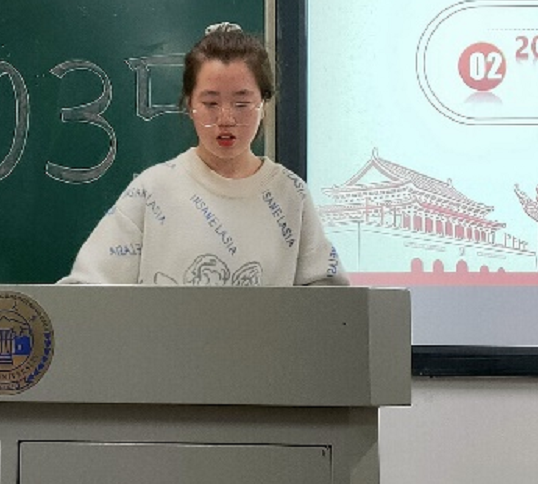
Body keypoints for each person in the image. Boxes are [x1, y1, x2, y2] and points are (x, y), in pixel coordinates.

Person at [60, 23, 348, 287]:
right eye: (210, 103)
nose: (226, 119)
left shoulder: (290, 194)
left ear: (263, 103)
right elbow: (85, 291)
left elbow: (331, 302)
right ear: (189, 105)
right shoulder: (153, 189)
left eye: (242, 104)